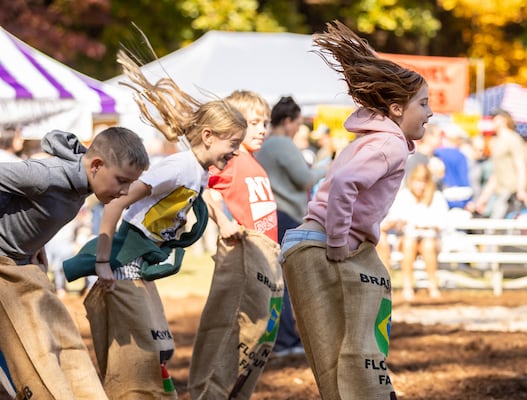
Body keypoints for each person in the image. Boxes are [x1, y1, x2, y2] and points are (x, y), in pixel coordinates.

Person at [63, 49, 247, 399]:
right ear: (208, 136)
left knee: (159, 347)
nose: (235, 152)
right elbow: (115, 202)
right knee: (144, 349)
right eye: (232, 144)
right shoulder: (177, 168)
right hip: (124, 260)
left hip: (143, 263)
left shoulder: (198, 172)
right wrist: (103, 261)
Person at [278, 20, 432, 399]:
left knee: (341, 346)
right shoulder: (390, 145)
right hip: (322, 242)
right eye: (424, 104)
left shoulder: (378, 138)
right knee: (352, 343)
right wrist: (337, 242)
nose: (430, 113)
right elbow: (345, 184)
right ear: (396, 108)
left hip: (315, 239)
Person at [0, 125, 149, 400]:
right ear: (96, 165)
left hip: (21, 264)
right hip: (5, 266)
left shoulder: (84, 182)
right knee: (23, 353)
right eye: (121, 180)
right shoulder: (46, 176)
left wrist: (36, 242)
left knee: (49, 343)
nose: (125, 190)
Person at [188, 90, 283, 399]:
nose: (262, 129)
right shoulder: (231, 158)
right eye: (254, 122)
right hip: (244, 257)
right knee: (233, 331)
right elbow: (203, 189)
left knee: (260, 336)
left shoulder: (252, 161)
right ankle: (211, 393)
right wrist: (224, 221)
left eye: (266, 122)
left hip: (266, 256)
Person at [256, 96, 328, 357]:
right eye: (298, 122)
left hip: (274, 215)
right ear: (287, 121)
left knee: (278, 280)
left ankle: (281, 337)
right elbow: (305, 179)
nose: (299, 128)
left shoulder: (265, 145)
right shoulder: (281, 144)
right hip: (285, 215)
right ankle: (286, 339)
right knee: (285, 282)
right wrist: (327, 168)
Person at [382, 164, 449, 301]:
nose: (420, 186)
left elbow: (442, 223)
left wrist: (425, 226)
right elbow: (394, 220)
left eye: (423, 182)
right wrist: (400, 223)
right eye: (417, 181)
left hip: (430, 239)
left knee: (428, 245)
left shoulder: (436, 197)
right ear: (411, 181)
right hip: (408, 238)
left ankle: (432, 285)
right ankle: (407, 286)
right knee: (409, 243)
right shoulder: (403, 197)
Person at [475, 109, 527, 218]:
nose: (492, 121)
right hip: (499, 192)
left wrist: (521, 190)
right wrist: (484, 197)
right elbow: (495, 173)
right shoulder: (495, 141)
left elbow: (521, 166)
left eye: (495, 118)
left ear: (503, 119)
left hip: (512, 192)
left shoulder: (513, 139)